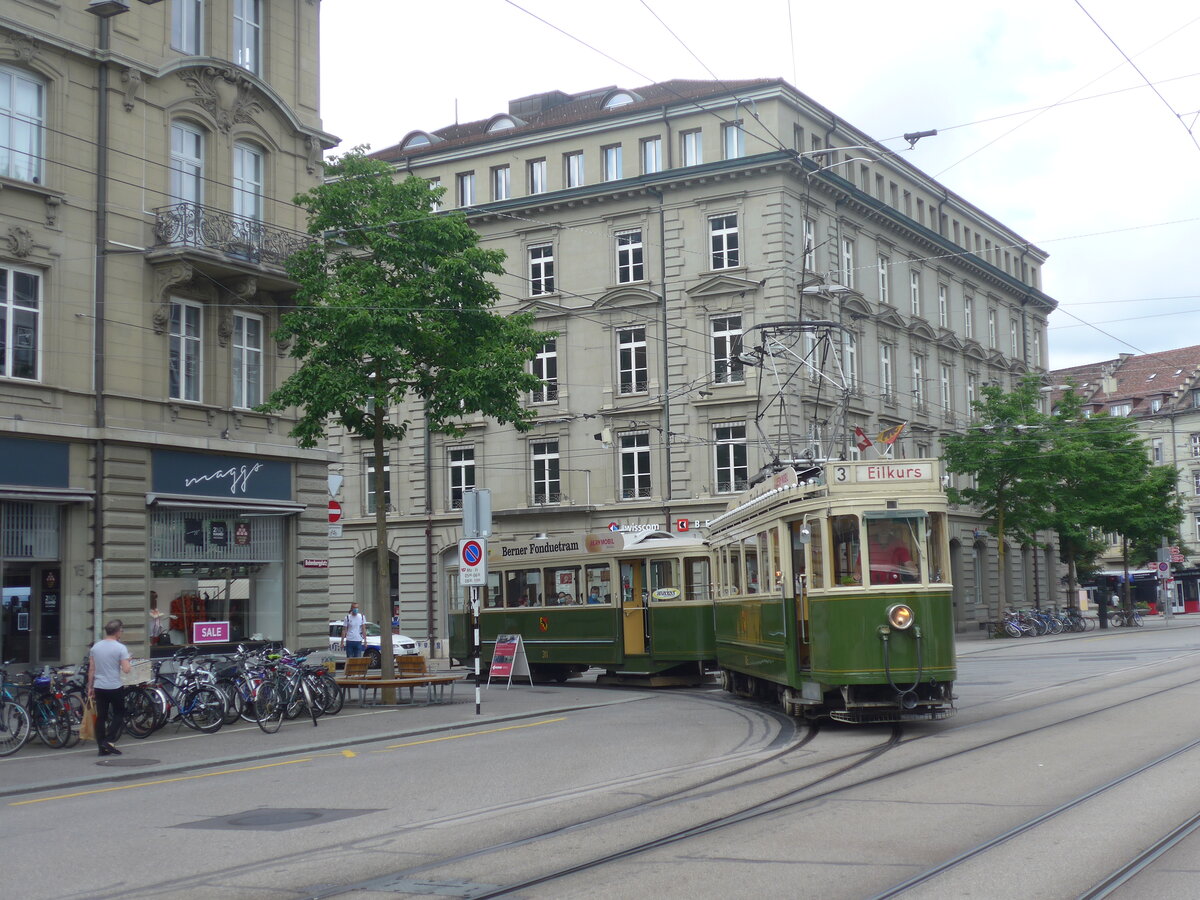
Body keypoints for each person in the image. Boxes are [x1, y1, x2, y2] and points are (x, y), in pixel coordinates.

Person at [88, 619, 131, 757]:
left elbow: (92, 669)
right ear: (118, 632)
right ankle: (109, 739)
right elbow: (126, 670)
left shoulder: (96, 647)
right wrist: (128, 660)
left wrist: (90, 686)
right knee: (119, 713)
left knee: (101, 716)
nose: (122, 633)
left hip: (99, 686)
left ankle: (101, 748)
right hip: (114, 685)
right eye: (122, 631)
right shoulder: (120, 648)